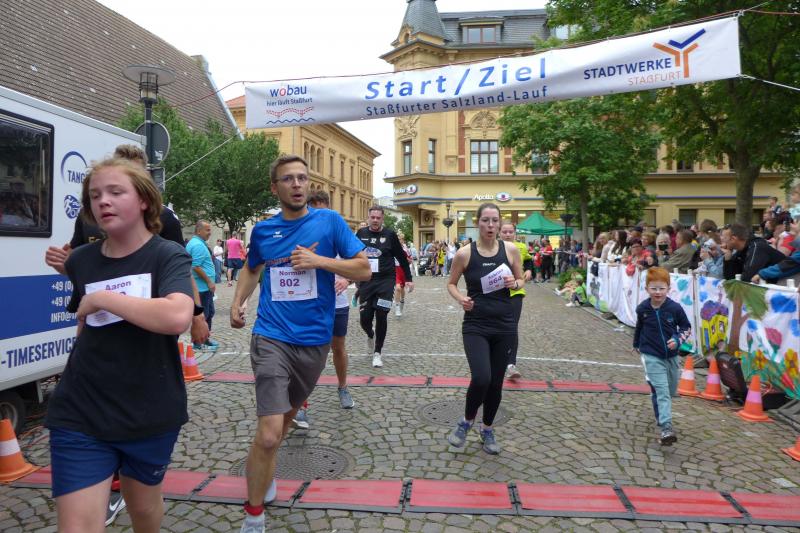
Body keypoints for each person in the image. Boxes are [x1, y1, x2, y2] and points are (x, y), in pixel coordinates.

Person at [43, 144, 208, 526]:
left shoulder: (167, 255)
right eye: (95, 195)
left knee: (144, 509)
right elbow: (85, 324)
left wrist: (103, 298)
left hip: (149, 410)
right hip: (81, 410)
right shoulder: (81, 260)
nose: (103, 200)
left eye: (116, 192)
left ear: (144, 201)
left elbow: (176, 315)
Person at [230, 155, 370, 533]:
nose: (297, 184)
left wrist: (319, 261)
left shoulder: (330, 222)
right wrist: (237, 301)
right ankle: (253, 515)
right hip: (271, 336)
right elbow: (252, 268)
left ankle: (264, 473)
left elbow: (363, 268)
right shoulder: (264, 231)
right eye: (288, 179)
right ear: (274, 188)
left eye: (302, 178)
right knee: (269, 432)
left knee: (284, 423)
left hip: (314, 341)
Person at [446, 203, 524, 455]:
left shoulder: (510, 250)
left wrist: (515, 283)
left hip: (504, 325)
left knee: (496, 383)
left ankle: (487, 429)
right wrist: (461, 299)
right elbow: (451, 283)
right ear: (477, 222)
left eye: (494, 221)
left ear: (500, 223)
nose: (490, 225)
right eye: (485, 220)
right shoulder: (464, 254)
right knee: (481, 377)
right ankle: (466, 421)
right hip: (476, 325)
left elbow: (521, 279)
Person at [307, 190, 356, 410]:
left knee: (338, 347)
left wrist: (346, 279)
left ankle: (343, 387)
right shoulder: (304, 236)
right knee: (308, 350)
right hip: (311, 303)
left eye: (323, 211)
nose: (320, 217)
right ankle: (301, 402)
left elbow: (359, 264)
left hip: (338, 303)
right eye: (315, 212)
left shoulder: (339, 233)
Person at [633, 267, 691, 446]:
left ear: (668, 288)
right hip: (651, 354)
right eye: (653, 288)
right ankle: (666, 428)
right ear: (646, 289)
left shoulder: (675, 308)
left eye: (661, 288)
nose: (657, 292)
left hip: (671, 356)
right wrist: (636, 344)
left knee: (670, 391)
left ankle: (658, 405)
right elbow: (639, 327)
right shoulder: (643, 309)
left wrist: (677, 340)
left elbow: (686, 327)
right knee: (663, 391)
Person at [356, 206, 414, 368]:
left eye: (378, 218)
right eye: (372, 217)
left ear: (382, 219)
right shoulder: (361, 234)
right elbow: (352, 255)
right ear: (368, 218)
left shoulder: (390, 235)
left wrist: (408, 279)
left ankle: (377, 353)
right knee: (365, 318)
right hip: (367, 281)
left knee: (382, 314)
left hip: (385, 281)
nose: (375, 220)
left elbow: (401, 258)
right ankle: (370, 334)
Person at [500, 222, 532, 379]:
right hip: (497, 293)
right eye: (504, 231)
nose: (507, 234)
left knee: (512, 327)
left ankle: (511, 364)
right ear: (499, 233)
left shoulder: (521, 247)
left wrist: (529, 269)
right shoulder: (493, 247)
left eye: (510, 232)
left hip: (516, 292)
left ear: (515, 233)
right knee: (497, 326)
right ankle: (496, 357)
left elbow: (529, 260)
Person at [186, 220, 219, 352]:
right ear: (199, 231)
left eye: (210, 229)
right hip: (202, 288)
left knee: (209, 312)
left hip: (203, 287)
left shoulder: (196, 243)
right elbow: (196, 267)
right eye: (207, 230)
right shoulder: (198, 245)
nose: (210, 233)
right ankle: (199, 341)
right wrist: (209, 281)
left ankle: (204, 339)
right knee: (204, 314)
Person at [394, 234, 413, 317]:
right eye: (398, 239)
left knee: (402, 289)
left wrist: (407, 260)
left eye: (401, 239)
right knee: (398, 288)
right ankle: (397, 307)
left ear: (403, 240)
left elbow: (410, 260)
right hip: (395, 270)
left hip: (403, 270)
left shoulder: (406, 249)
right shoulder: (392, 248)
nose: (399, 241)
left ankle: (402, 300)